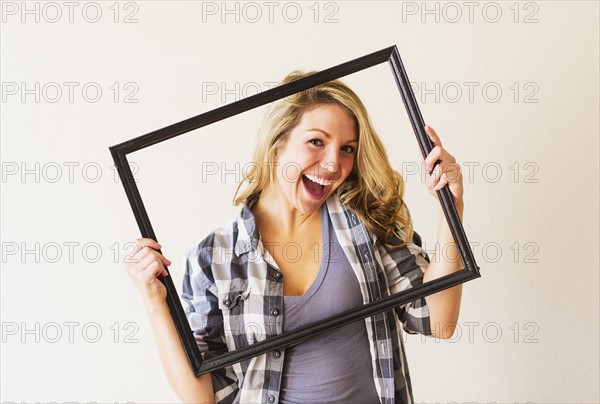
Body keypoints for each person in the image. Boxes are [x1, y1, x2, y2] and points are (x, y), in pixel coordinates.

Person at [125, 70, 465, 404]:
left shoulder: (365, 220)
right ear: (277, 145)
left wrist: (451, 207)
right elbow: (205, 395)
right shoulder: (214, 258)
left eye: (347, 149)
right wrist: (156, 304)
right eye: (316, 141)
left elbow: (439, 321)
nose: (333, 163)